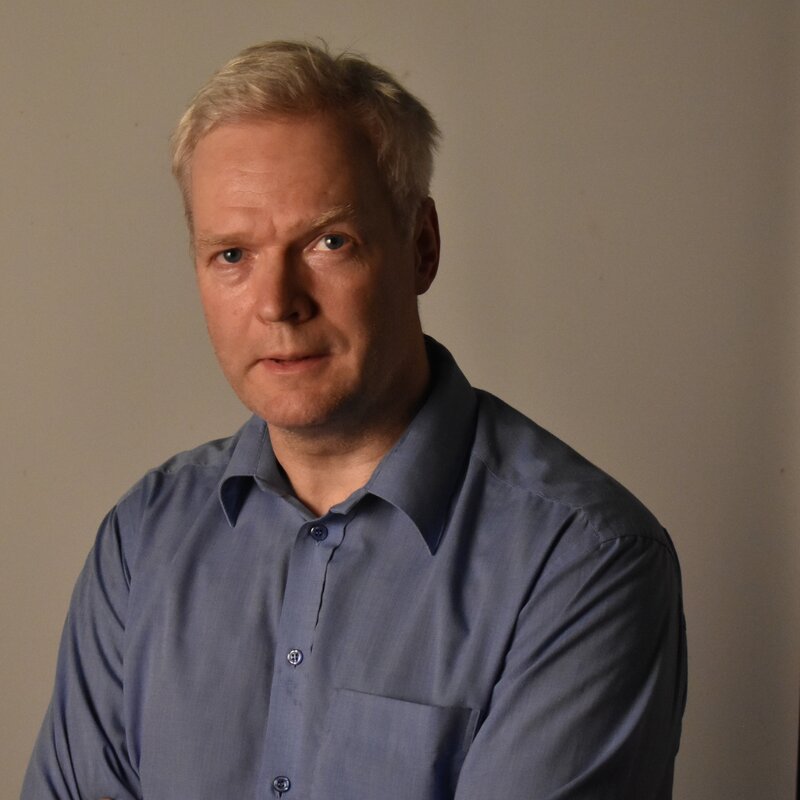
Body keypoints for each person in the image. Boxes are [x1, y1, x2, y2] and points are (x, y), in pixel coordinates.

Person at [22, 41, 687, 799]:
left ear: (422, 247)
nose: (278, 303)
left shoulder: (583, 561)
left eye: (328, 242)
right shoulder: (142, 541)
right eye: (233, 254)